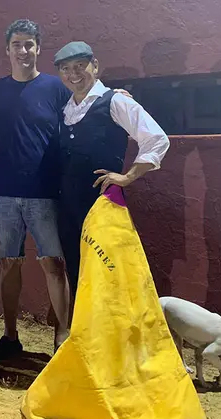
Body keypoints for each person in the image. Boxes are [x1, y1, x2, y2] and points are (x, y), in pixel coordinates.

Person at [0, 19, 131, 360]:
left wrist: (114, 95)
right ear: (7, 50)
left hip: (47, 193)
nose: (23, 50)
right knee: (8, 264)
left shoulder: (57, 88)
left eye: (29, 44)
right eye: (17, 44)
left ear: (38, 48)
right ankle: (9, 336)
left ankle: (62, 338)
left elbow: (87, 101)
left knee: (54, 265)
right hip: (3, 194)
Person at [54, 41, 170, 299]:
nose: (73, 74)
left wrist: (128, 176)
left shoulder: (115, 101)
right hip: (69, 206)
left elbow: (157, 139)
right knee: (77, 271)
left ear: (95, 66)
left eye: (80, 66)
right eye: (66, 69)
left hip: (102, 205)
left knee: (106, 272)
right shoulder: (66, 109)